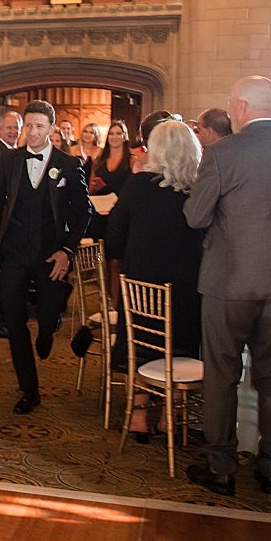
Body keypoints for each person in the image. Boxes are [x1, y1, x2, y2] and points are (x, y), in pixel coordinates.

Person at [183, 75, 271, 497]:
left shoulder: (223, 153)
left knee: (222, 373)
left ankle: (222, 467)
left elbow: (196, 216)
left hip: (228, 279)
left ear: (240, 107)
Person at [0, 99, 93, 415]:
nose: (32, 132)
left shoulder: (69, 165)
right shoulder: (11, 160)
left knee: (46, 315)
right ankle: (29, 390)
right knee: (15, 320)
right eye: (28, 126)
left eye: (39, 126)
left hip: (49, 253)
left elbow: (83, 211)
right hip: (14, 252)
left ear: (51, 129)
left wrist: (67, 251)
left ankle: (48, 328)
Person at [106, 121, 206, 443]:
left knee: (141, 338)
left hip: (142, 285)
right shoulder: (199, 190)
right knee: (180, 341)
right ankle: (168, 417)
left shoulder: (138, 186)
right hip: (188, 288)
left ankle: (137, 415)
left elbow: (115, 234)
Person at [90, 121, 133, 197]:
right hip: (100, 204)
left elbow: (133, 189)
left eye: (118, 133)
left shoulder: (131, 160)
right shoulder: (99, 160)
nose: (114, 137)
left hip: (122, 204)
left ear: (124, 137)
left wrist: (106, 187)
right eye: (111, 134)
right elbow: (91, 188)